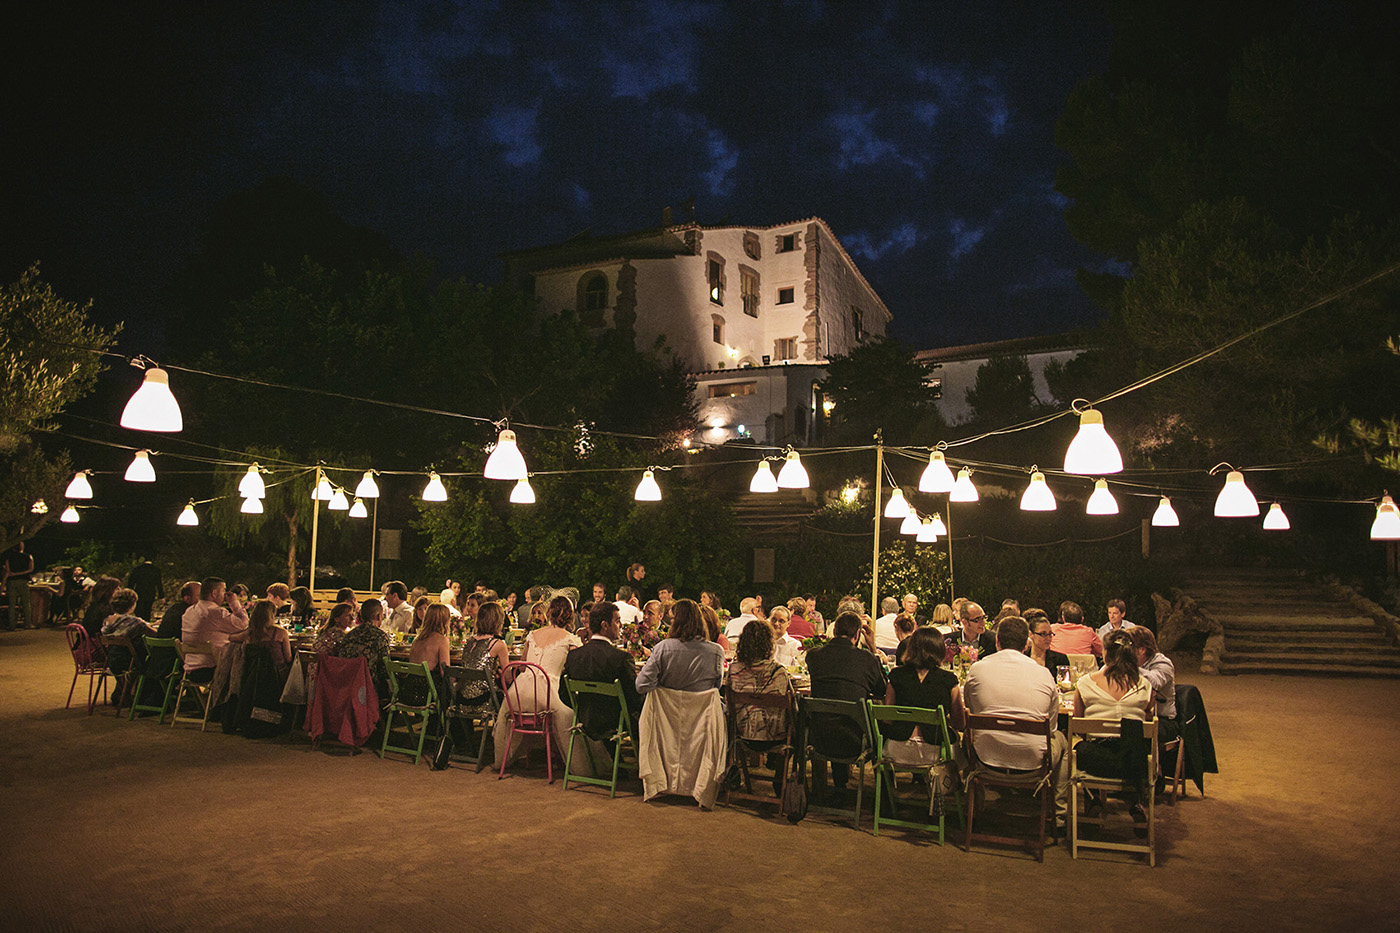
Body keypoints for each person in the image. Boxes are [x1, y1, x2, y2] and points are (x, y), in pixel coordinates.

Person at [957, 616, 1069, 826]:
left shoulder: (978, 669)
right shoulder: (1044, 675)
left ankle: (975, 807)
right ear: (1026, 644)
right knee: (1063, 740)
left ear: (997, 641)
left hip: (985, 756)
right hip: (1033, 760)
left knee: (967, 735)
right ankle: (1060, 816)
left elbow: (971, 710)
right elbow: (1051, 726)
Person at [805, 611, 887, 798]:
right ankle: (885, 796)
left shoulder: (814, 656)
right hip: (854, 740)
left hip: (818, 737)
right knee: (857, 718)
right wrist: (873, 648)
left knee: (833, 711)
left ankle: (834, 785)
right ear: (858, 634)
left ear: (834, 631)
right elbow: (882, 689)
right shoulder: (866, 659)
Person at [494, 594, 582, 767]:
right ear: (570, 617)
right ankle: (563, 757)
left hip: (520, 694)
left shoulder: (532, 635)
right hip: (547, 695)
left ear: (549, 614)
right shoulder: (570, 639)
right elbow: (576, 666)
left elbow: (522, 666)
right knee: (572, 712)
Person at [1072, 630, 1153, 816]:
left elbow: (1079, 725)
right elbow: (1149, 716)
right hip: (1133, 763)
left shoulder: (1086, 683)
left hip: (1096, 762)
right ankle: (1136, 801)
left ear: (1105, 653)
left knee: (1081, 747)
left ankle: (1093, 798)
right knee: (1137, 742)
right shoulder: (1143, 685)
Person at [560, 600, 644, 742]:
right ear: (605, 625)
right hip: (615, 722)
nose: (621, 626)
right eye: (617, 621)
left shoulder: (575, 656)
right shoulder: (621, 658)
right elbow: (634, 698)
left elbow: (563, 693)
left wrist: (582, 709)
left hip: (586, 720)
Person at [884, 626, 962, 764]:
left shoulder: (896, 676)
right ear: (940, 650)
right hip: (936, 751)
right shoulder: (948, 680)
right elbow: (960, 723)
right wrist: (943, 720)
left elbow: (888, 718)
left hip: (897, 748)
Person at [725, 618, 795, 745]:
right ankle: (779, 762)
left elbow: (728, 700)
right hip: (775, 736)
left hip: (740, 733)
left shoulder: (734, 669)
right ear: (769, 643)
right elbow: (790, 706)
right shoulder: (778, 672)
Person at [636, 599, 724, 695]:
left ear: (676, 622)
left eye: (672, 619)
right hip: (703, 708)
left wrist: (661, 687)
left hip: (666, 708)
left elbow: (641, 685)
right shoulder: (716, 652)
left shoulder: (663, 648)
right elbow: (716, 686)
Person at [181, 577, 248, 682]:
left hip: (191, 670)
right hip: (214, 669)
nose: (225, 594)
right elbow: (243, 625)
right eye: (223, 590)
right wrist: (235, 604)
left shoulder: (189, 611)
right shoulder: (215, 612)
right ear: (214, 593)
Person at [333, 598, 391, 697]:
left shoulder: (349, 635)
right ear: (379, 616)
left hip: (346, 684)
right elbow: (384, 668)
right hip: (368, 685)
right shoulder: (380, 636)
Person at [1129, 626, 1177, 741]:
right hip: (1134, 719)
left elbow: (1155, 682)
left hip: (1161, 721)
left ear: (1141, 649)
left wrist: (1128, 666)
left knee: (1132, 735)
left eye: (1129, 647)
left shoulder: (1163, 663)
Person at [457, 600, 510, 705]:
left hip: (462, 699)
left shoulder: (469, 641)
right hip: (485, 700)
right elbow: (507, 677)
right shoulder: (498, 644)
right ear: (498, 622)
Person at [100, 588, 154, 677]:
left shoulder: (107, 621)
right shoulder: (135, 623)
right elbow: (156, 634)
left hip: (113, 662)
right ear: (132, 605)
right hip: (131, 663)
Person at [230, 600, 293, 673]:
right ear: (272, 615)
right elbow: (288, 658)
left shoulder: (250, 633)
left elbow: (231, 638)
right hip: (277, 676)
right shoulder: (280, 632)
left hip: (254, 675)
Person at [1025, 610, 1070, 678]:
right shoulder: (1023, 658)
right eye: (1043, 634)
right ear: (1031, 635)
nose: (1048, 638)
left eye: (1050, 634)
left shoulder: (1061, 660)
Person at [408, 603, 452, 671]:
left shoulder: (417, 639)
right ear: (445, 620)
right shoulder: (441, 640)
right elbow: (445, 672)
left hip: (412, 680)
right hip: (429, 681)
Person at [3, 541, 35, 629]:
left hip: (11, 581)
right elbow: (31, 569)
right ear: (22, 547)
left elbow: (7, 571)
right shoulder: (28, 557)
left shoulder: (9, 558)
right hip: (23, 581)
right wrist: (21, 573)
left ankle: (11, 624)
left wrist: (3, 584)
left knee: (12, 603)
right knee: (26, 603)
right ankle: (28, 623)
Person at [81, 576, 122, 640]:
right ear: (108, 591)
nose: (120, 590)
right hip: (95, 644)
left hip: (86, 641)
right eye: (117, 588)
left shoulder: (94, 605)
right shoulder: (105, 608)